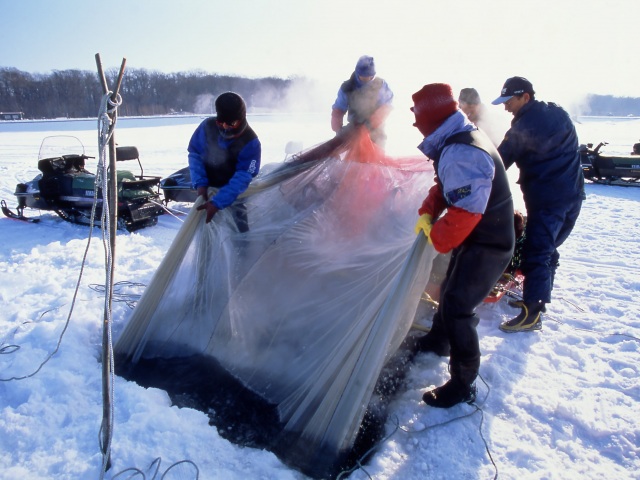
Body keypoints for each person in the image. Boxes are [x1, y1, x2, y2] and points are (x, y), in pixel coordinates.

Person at [412, 83, 515, 408]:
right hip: (479, 236)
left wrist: (437, 235)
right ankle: (438, 340)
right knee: (449, 285)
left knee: (459, 305)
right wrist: (428, 211)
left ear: (431, 117)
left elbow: (466, 211)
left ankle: (462, 383)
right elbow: (447, 184)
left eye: (417, 116)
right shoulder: (455, 140)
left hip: (490, 242)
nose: (414, 122)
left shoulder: (463, 151)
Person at [491, 76, 584, 333]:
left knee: (537, 252)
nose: (506, 107)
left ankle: (532, 313)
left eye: (509, 101)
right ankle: (538, 298)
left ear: (525, 97)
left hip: (547, 200)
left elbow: (499, 163)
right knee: (548, 248)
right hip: (573, 196)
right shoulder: (558, 114)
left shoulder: (524, 126)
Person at [188, 92, 261, 231]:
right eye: (221, 122)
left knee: (240, 230)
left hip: (234, 193)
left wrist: (218, 202)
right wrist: (200, 184)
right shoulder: (207, 126)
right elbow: (195, 154)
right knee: (207, 232)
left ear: (241, 118)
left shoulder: (251, 142)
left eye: (231, 123)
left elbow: (243, 176)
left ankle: (242, 250)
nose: (225, 127)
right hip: (207, 189)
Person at [331, 55, 394, 147]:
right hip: (354, 127)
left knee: (376, 154)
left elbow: (386, 106)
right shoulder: (347, 87)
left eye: (370, 77)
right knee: (350, 154)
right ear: (357, 73)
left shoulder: (380, 85)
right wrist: (338, 129)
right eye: (363, 77)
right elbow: (338, 109)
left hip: (375, 129)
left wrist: (371, 123)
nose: (367, 79)